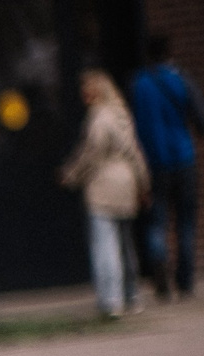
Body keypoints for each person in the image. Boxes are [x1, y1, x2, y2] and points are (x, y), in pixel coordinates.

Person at [63, 70, 149, 319]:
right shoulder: (121, 114)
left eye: (86, 90)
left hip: (103, 187)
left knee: (105, 246)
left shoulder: (99, 119)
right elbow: (135, 151)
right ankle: (132, 296)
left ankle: (111, 301)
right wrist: (143, 183)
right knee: (125, 245)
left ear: (95, 92)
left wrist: (70, 175)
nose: (82, 96)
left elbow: (91, 154)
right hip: (126, 183)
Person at [130, 35, 204, 301]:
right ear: (169, 52)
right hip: (183, 157)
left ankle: (160, 268)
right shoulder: (180, 79)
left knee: (157, 220)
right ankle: (185, 281)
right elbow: (202, 120)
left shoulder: (139, 84)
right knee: (185, 222)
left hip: (154, 162)